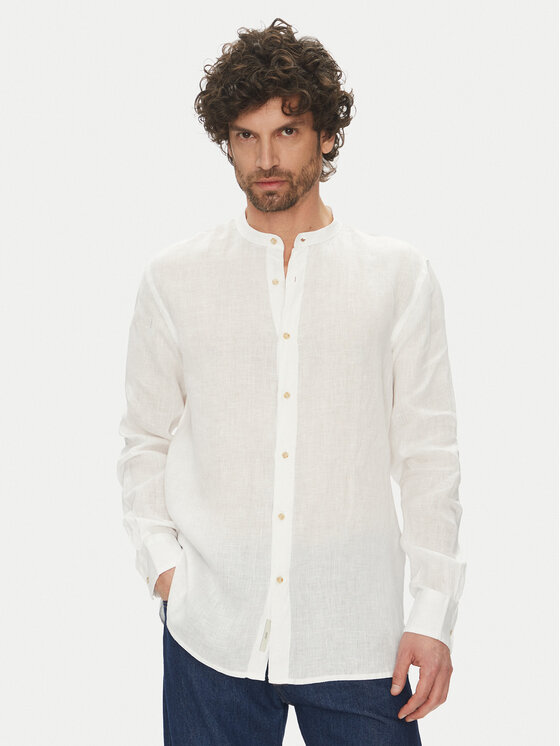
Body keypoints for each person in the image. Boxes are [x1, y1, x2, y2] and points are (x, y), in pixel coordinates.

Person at [117, 17, 466, 746]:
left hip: (357, 636)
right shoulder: (175, 279)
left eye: (287, 131)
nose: (266, 158)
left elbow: (429, 455)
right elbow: (145, 439)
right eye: (246, 136)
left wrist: (432, 615)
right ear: (227, 142)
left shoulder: (398, 277)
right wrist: (165, 571)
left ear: (326, 137)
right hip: (212, 634)